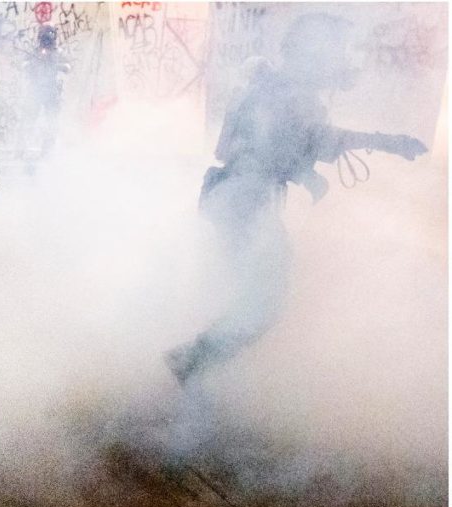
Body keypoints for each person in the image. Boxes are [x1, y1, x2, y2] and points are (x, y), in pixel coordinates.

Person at [165, 13, 427, 385]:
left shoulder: (269, 88)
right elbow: (319, 140)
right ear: (313, 53)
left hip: (235, 197)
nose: (341, 59)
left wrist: (304, 172)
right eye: (335, 50)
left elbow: (257, 146)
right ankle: (190, 364)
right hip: (246, 200)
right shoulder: (289, 94)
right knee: (262, 304)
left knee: (252, 296)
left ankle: (196, 372)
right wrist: (389, 143)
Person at [22, 25, 70, 156]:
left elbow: (68, 66)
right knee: (29, 118)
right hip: (35, 90)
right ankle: (23, 145)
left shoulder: (58, 52)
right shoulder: (34, 52)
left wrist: (56, 66)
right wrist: (33, 64)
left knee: (51, 120)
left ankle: (48, 148)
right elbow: (24, 64)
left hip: (51, 91)